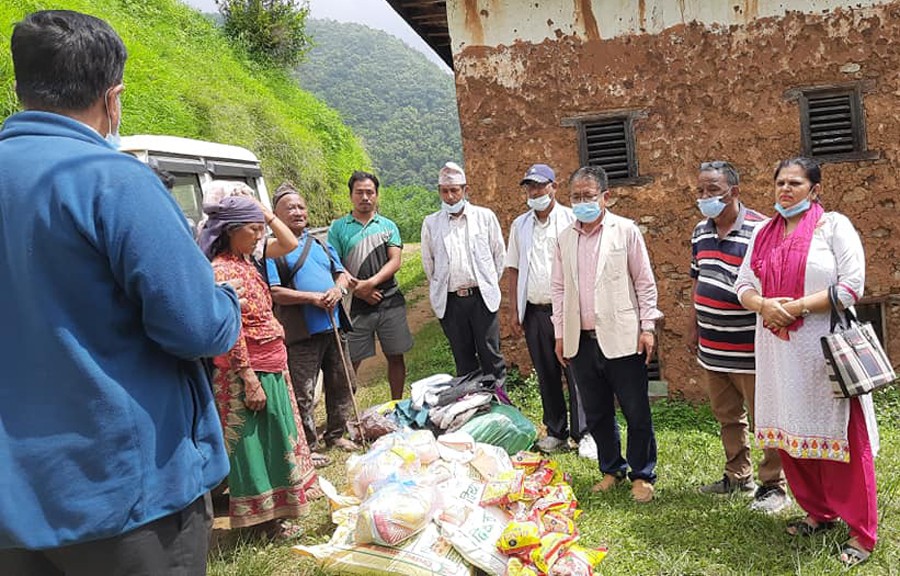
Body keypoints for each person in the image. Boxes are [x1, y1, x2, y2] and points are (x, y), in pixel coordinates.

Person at [0, 10, 241, 574]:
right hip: (125, 497)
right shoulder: (112, 180)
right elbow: (195, 327)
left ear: (19, 87)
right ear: (114, 99)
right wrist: (227, 299)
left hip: (14, 506)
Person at [735, 157, 879, 567]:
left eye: (795, 183)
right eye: (780, 182)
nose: (785, 189)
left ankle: (862, 534)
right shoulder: (763, 233)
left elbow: (851, 286)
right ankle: (819, 513)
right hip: (778, 353)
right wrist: (762, 303)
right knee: (792, 437)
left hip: (823, 353)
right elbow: (743, 284)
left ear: (814, 189)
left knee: (843, 443)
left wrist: (796, 306)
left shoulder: (834, 226)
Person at [199, 195, 320, 538]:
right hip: (246, 374)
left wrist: (266, 213)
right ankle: (259, 523)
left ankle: (275, 516)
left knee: (275, 442)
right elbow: (231, 328)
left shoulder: (246, 260)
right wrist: (248, 377)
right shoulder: (221, 270)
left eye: (259, 228)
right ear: (231, 230)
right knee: (253, 448)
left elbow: (290, 242)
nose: (258, 235)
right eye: (252, 229)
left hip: (271, 366)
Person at [550, 166, 663, 503]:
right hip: (580, 340)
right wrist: (559, 334)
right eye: (576, 197)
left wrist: (648, 327)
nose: (582, 202)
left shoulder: (625, 231)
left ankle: (642, 474)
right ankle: (611, 468)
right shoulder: (565, 237)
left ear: (605, 197)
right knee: (597, 411)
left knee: (635, 409)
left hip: (622, 336)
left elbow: (644, 281)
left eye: (588, 196)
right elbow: (559, 289)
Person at [688, 161, 789, 513]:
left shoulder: (761, 230)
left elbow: (773, 285)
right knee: (727, 414)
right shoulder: (700, 232)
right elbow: (697, 281)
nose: (705, 197)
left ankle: (773, 484)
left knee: (765, 417)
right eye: (700, 190)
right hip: (713, 347)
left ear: (734, 191)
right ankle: (737, 474)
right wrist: (694, 326)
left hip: (752, 347)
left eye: (712, 190)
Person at [266, 182, 360, 453]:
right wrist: (312, 298)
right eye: (290, 208)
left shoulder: (320, 242)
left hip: (333, 325)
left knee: (343, 382)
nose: (297, 212)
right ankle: (309, 445)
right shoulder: (273, 249)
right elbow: (275, 292)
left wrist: (337, 290)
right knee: (303, 391)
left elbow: (341, 274)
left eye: (300, 206)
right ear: (276, 214)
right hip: (301, 332)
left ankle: (336, 434)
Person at [505, 163, 589, 455]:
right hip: (535, 311)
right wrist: (515, 310)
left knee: (577, 370)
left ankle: (585, 432)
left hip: (567, 309)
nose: (535, 191)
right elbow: (514, 269)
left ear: (554, 186)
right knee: (546, 372)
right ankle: (556, 432)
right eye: (530, 186)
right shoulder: (520, 225)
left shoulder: (570, 219)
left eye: (540, 186)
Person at [328, 171, 413, 400]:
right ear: (351, 196)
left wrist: (370, 283)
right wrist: (359, 290)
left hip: (390, 301)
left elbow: (395, 260)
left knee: (395, 355)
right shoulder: (337, 228)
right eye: (359, 192)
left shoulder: (387, 226)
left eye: (370, 192)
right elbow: (335, 263)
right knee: (352, 360)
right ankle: (346, 413)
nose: (365, 197)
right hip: (354, 306)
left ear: (376, 195)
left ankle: (396, 403)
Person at [421, 161, 507, 386]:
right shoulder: (431, 223)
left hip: (481, 298)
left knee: (491, 355)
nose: (449, 196)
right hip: (451, 302)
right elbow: (428, 263)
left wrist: (487, 283)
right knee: (463, 357)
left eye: (454, 190)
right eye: (445, 191)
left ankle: (500, 408)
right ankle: (472, 408)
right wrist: (442, 287)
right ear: (439, 191)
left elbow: (499, 254)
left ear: (465, 190)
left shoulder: (484, 217)